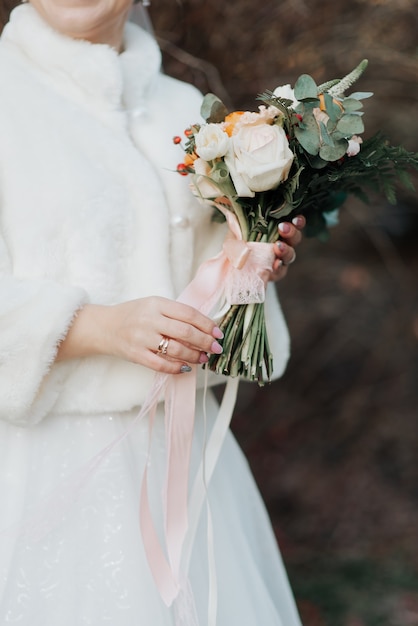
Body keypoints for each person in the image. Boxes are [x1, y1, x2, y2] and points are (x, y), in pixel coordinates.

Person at [0, 1, 305, 624]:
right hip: (32, 469)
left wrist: (246, 263)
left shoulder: (187, 113)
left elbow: (209, 299)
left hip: (183, 459)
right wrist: (98, 327)